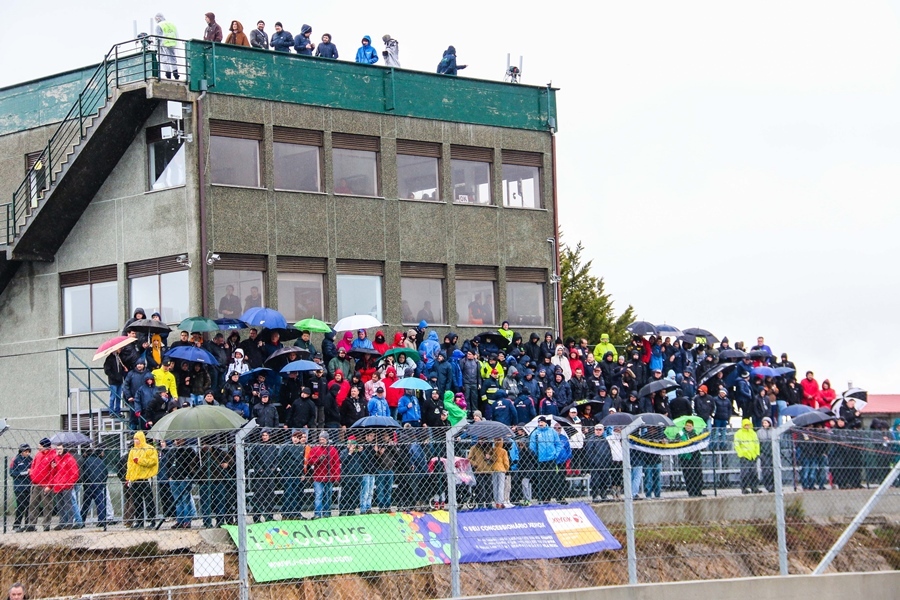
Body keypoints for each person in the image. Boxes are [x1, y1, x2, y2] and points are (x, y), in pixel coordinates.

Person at [126, 431, 159, 528]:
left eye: (137, 439)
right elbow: (130, 465)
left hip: (145, 478)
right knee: (137, 501)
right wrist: (128, 478)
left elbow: (153, 461)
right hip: (135, 479)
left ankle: (152, 521)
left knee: (149, 500)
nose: (136, 441)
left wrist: (140, 461)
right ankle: (140, 521)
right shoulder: (133, 451)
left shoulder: (149, 449)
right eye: (135, 439)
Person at [307, 432, 341, 518]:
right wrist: (318, 460)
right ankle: (318, 514)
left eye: (323, 439)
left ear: (327, 439)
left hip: (329, 477)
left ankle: (327, 513)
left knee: (328, 496)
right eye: (320, 439)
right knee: (319, 495)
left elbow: (336, 464)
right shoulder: (315, 449)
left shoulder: (333, 450)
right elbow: (310, 461)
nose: (321, 441)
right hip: (318, 477)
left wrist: (337, 477)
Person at [79, 448, 108, 527]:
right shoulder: (100, 461)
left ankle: (81, 521)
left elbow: (84, 473)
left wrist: (85, 484)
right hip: (99, 484)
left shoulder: (86, 461)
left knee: (86, 504)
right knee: (100, 503)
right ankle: (102, 521)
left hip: (89, 485)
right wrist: (103, 484)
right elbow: (105, 472)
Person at [734, 419, 762, 494]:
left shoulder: (753, 433)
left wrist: (757, 454)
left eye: (748, 425)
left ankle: (754, 487)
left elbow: (757, 444)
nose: (747, 426)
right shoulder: (738, 433)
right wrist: (741, 454)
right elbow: (737, 445)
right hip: (744, 456)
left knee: (753, 473)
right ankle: (744, 488)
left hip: (753, 455)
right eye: (746, 425)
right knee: (745, 473)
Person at [677, 421, 704, 497]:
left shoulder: (695, 434)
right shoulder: (680, 433)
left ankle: (698, 491)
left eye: (690, 426)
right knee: (689, 475)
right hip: (686, 457)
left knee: (698, 475)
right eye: (687, 426)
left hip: (696, 456)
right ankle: (691, 492)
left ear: (692, 426)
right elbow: (678, 441)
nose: (688, 427)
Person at [10, 444, 32, 531]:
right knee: (21, 506)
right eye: (26, 452)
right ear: (21, 452)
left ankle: (28, 524)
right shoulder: (15, 460)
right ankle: (17, 525)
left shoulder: (30, 460)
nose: (28, 453)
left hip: (29, 486)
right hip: (19, 487)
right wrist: (25, 472)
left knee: (29, 506)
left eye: (29, 452)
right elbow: (12, 473)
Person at [154, 13, 180, 80]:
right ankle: (176, 73)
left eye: (156, 19)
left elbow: (158, 37)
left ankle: (168, 75)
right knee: (173, 58)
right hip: (172, 43)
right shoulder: (171, 24)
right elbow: (176, 34)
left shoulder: (159, 25)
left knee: (164, 59)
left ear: (158, 18)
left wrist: (156, 46)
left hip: (164, 44)